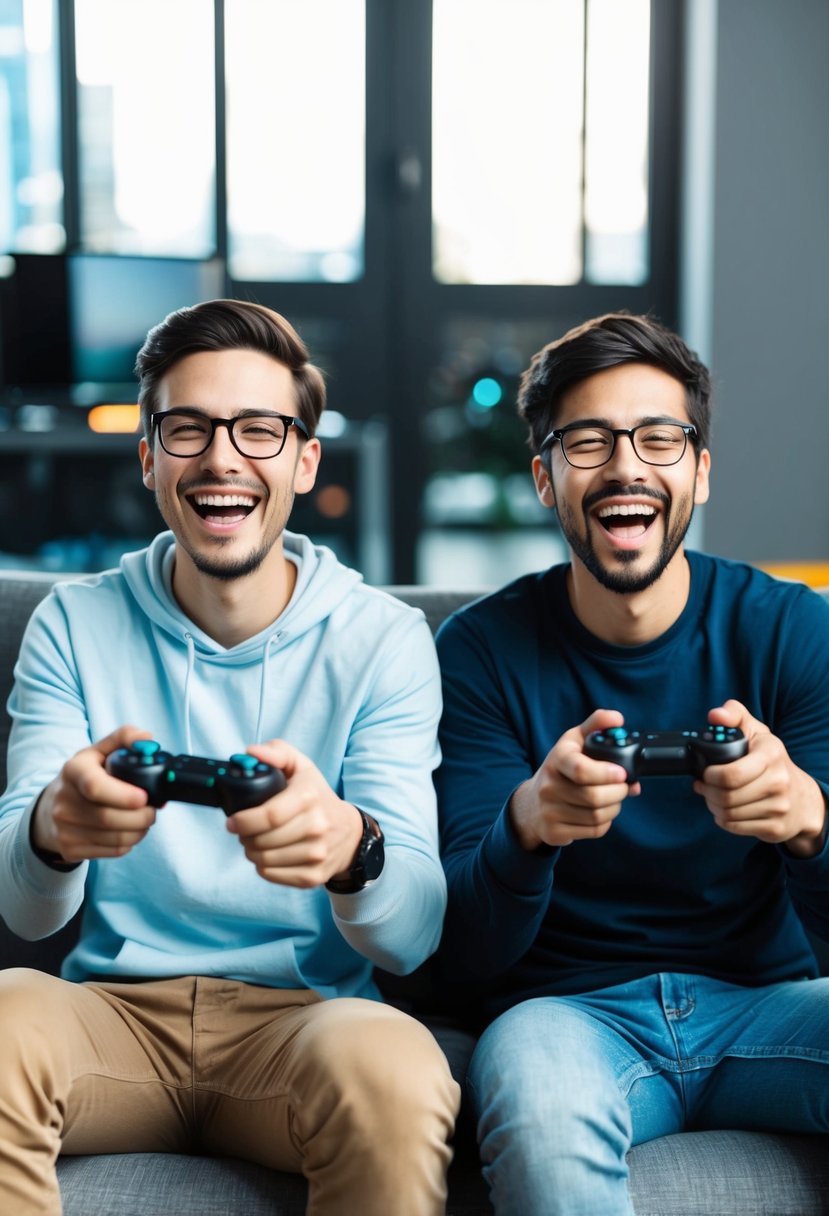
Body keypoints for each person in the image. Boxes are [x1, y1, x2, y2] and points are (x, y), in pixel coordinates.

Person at [0, 298, 459, 1215]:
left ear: (303, 460)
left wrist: (351, 850)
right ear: (147, 456)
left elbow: (411, 938)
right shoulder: (73, 622)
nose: (221, 459)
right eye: (187, 429)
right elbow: (24, 910)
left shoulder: (384, 640)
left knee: (396, 1065)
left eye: (257, 430)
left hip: (305, 1025)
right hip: (110, 1019)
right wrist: (55, 832)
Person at [433, 312, 829, 1215]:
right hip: (566, 1020)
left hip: (766, 1005)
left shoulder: (792, 630)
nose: (624, 467)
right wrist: (526, 831)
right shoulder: (479, 653)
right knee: (535, 1105)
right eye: (587, 442)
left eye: (658, 438)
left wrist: (808, 821)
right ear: (544, 476)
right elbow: (455, 952)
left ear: (698, 470)